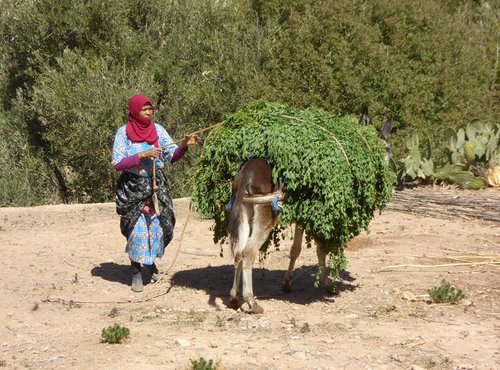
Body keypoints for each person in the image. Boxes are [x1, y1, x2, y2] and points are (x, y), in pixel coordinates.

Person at [112, 94, 198, 292]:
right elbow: (118, 163)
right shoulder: (123, 133)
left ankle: (150, 264)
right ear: (135, 111)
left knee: (160, 227)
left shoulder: (158, 130)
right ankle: (135, 272)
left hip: (156, 186)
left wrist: (184, 146)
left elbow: (172, 156)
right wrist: (142, 155)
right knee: (136, 230)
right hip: (132, 188)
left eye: (151, 109)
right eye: (144, 109)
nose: (149, 112)